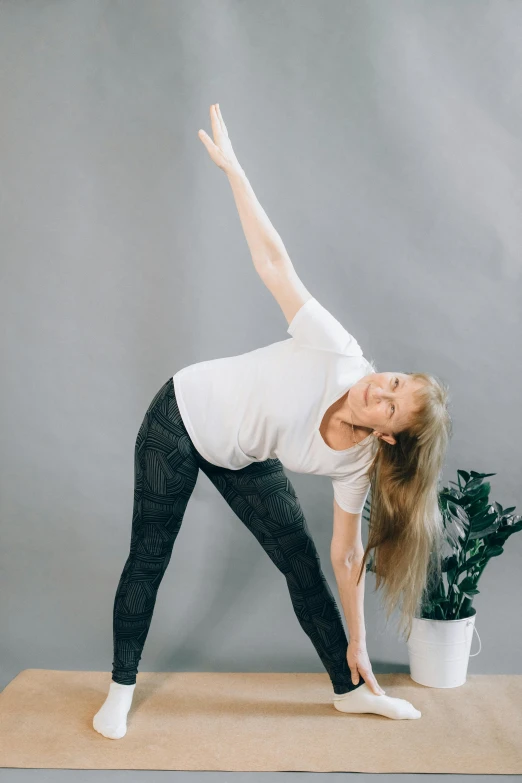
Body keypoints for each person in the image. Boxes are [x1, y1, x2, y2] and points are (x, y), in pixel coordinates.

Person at [93, 104, 452, 739]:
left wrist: (360, 645)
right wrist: (235, 170)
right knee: (149, 555)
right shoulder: (337, 352)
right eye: (393, 381)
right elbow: (275, 265)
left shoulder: (358, 461)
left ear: (389, 434)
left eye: (391, 405)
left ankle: (349, 691)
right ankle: (119, 689)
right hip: (180, 417)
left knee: (302, 560)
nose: (380, 388)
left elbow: (346, 555)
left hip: (243, 455)